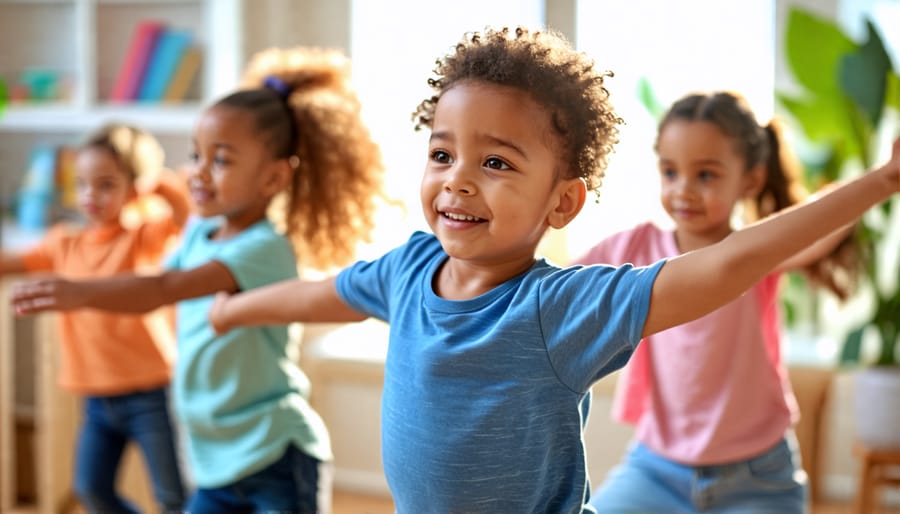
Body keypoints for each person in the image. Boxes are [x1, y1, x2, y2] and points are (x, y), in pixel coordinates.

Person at [14, 27, 900, 514]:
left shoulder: (563, 309)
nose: (457, 180)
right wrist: (237, 313)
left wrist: (883, 179)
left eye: (499, 162)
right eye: (443, 152)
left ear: (563, 203)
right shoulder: (408, 269)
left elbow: (733, 265)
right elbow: (323, 293)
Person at [10, 46, 385, 514]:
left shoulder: (264, 248)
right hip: (216, 465)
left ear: (272, 178)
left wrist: (79, 291)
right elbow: (158, 276)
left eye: (221, 160)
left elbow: (165, 290)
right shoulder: (201, 232)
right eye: (195, 155)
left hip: (274, 455)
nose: (199, 172)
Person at [575, 91, 862, 513]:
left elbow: (820, 227)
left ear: (750, 180)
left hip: (758, 477)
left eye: (706, 175)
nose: (684, 190)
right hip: (656, 470)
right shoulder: (636, 245)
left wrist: (881, 180)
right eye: (670, 172)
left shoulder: (755, 249)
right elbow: (555, 283)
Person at [0, 123, 190, 513]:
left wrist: (154, 182)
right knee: (91, 490)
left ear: (132, 187)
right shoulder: (64, 241)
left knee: (172, 496)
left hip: (150, 392)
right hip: (96, 398)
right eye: (83, 184)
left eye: (106, 184)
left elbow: (188, 216)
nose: (91, 195)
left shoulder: (142, 236)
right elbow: (14, 263)